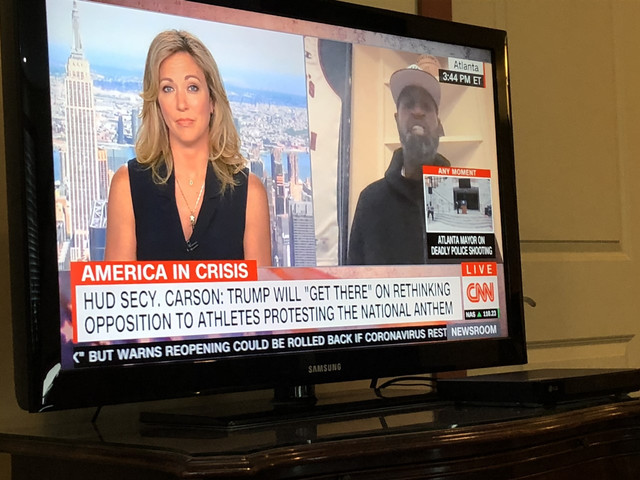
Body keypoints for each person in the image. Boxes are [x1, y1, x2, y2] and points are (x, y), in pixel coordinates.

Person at [105, 30, 271, 264]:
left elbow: (261, 288)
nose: (181, 104)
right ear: (157, 103)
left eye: (192, 87)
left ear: (212, 100)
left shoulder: (250, 193)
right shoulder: (127, 186)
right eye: (168, 88)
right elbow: (117, 286)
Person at [347, 55, 449, 265]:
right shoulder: (370, 202)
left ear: (438, 124)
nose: (418, 111)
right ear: (397, 119)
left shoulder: (464, 196)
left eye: (426, 106)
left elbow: (492, 277)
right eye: (409, 104)